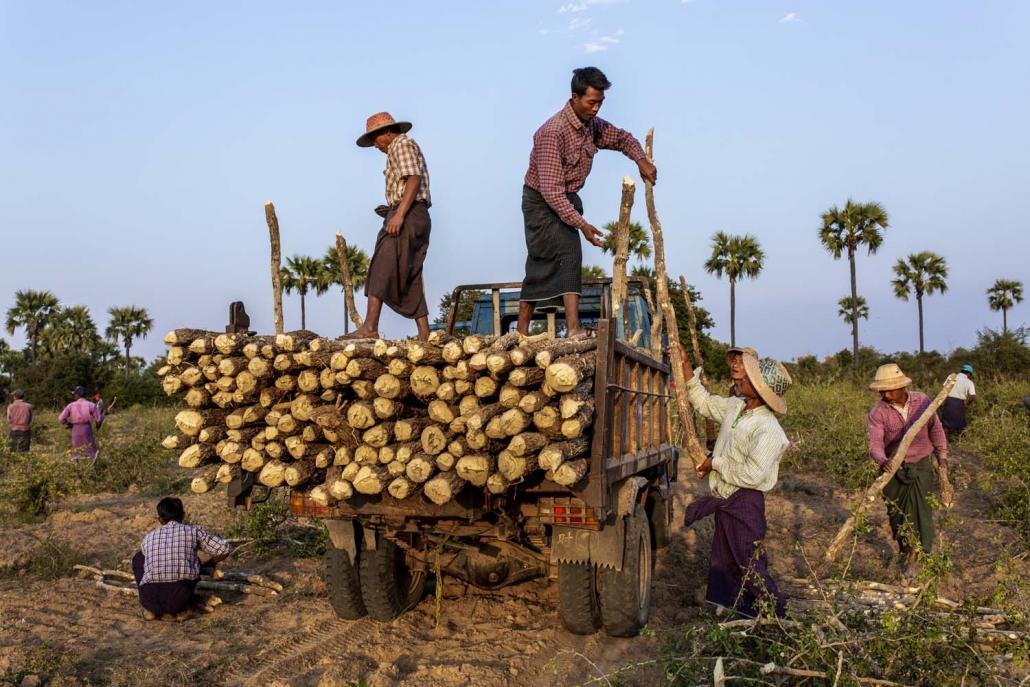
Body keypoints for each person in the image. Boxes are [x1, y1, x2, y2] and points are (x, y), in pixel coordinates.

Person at [517, 67, 658, 337]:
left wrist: (640, 160)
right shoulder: (552, 132)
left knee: (539, 262)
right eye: (591, 102)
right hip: (541, 201)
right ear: (574, 97)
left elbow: (621, 138)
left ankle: (521, 330)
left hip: (565, 198)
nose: (596, 109)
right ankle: (572, 329)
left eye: (600, 103)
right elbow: (551, 191)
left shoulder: (591, 126)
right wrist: (582, 225)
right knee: (569, 250)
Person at [679, 345, 792, 618]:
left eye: (746, 379)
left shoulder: (769, 430)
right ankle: (741, 616)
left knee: (749, 566)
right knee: (726, 562)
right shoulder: (736, 407)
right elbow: (704, 402)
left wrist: (713, 463)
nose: (738, 379)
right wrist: (683, 365)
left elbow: (752, 474)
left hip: (744, 503)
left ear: (759, 388)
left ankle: (779, 618)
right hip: (726, 500)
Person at [346, 112, 432, 341]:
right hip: (413, 214)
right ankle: (425, 334)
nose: (375, 145)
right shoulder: (399, 147)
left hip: (408, 212)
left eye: (375, 139)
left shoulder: (400, 145)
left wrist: (399, 215)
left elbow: (413, 178)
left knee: (381, 266)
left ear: (386, 132)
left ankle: (370, 327)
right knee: (410, 272)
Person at [866, 363, 949, 575]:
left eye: (890, 388)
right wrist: (883, 461)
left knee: (922, 513)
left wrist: (942, 456)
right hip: (894, 471)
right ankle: (906, 551)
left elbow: (936, 430)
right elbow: (875, 445)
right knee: (898, 515)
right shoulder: (878, 413)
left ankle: (921, 555)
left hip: (920, 465)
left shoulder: (922, 402)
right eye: (882, 390)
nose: (885, 393)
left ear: (902, 386)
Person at [133, 497, 231, 621]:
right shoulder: (194, 531)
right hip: (179, 598)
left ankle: (151, 611)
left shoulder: (148, 537)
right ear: (183, 515)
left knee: (139, 558)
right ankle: (184, 609)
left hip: (149, 599)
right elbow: (225, 548)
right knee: (193, 563)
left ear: (160, 520)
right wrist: (210, 563)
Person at [58, 386, 103, 460]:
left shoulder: (71, 405)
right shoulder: (91, 405)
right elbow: (99, 419)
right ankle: (91, 466)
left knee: (76, 451)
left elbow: (61, 418)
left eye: (75, 394)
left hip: (75, 429)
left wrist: (69, 424)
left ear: (77, 395)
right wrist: (97, 426)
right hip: (87, 428)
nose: (74, 396)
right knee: (90, 450)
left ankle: (78, 468)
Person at [939, 364, 975, 437]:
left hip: (949, 402)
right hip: (959, 404)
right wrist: (967, 404)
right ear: (969, 373)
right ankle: (960, 442)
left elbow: (944, 387)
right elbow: (973, 396)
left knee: (945, 426)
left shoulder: (951, 376)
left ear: (961, 370)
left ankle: (944, 444)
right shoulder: (969, 382)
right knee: (961, 426)